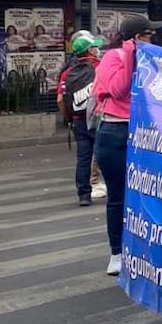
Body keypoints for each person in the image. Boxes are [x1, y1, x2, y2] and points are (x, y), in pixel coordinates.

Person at [94, 16, 162, 275]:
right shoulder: (114, 57)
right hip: (115, 132)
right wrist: (131, 54)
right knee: (118, 196)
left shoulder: (151, 59)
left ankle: (143, 247)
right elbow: (119, 89)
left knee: (147, 194)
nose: (151, 39)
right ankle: (117, 252)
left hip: (142, 132)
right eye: (147, 35)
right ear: (135, 38)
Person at [57, 34, 103, 206]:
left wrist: (69, 119)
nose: (97, 50)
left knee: (83, 158)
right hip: (99, 119)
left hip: (78, 121)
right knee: (104, 155)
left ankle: (84, 195)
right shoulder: (100, 66)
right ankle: (115, 190)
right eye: (95, 47)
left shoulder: (68, 73)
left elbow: (60, 100)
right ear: (90, 50)